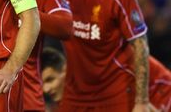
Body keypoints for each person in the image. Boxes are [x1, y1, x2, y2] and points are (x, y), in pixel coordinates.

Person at [41, 48, 171, 112]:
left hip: (162, 93)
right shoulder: (66, 104)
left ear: (65, 69)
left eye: (50, 79)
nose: (46, 89)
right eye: (42, 84)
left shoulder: (95, 72)